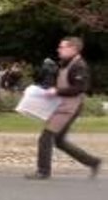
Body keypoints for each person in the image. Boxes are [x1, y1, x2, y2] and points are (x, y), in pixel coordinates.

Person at [26, 37, 101, 180]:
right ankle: (93, 162)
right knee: (59, 141)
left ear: (73, 49)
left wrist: (57, 91)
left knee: (46, 137)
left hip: (70, 107)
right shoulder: (67, 63)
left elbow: (80, 88)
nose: (58, 49)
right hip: (63, 106)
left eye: (62, 47)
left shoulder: (79, 66)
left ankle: (43, 171)